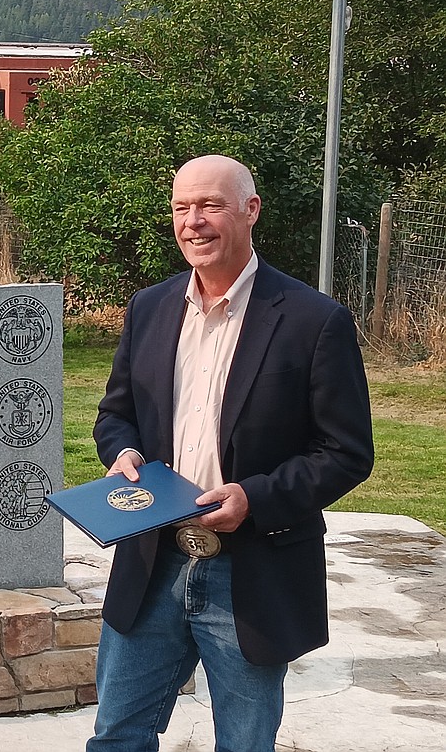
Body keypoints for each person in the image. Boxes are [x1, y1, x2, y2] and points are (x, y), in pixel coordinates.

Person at [88, 154, 374, 751]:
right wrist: (123, 453)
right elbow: (116, 415)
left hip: (252, 569)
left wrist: (255, 498)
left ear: (250, 210)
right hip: (152, 561)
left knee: (245, 745)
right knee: (117, 736)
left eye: (211, 204)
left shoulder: (313, 320)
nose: (194, 221)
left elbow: (346, 451)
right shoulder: (149, 308)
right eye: (181, 207)